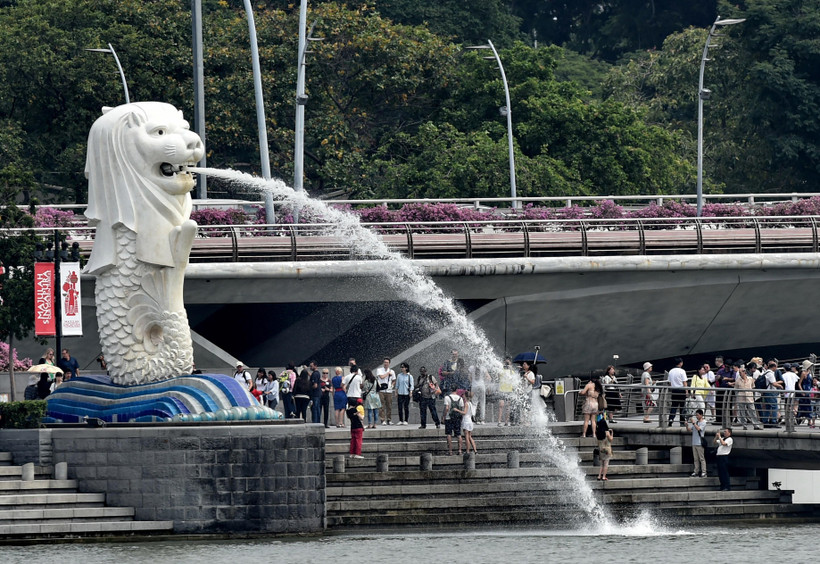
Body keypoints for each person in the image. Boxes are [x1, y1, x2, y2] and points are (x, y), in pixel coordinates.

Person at [735, 362, 762, 430]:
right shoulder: (737, 380)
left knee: (752, 411)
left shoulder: (750, 379)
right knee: (742, 412)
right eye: (740, 372)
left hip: (749, 397)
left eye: (742, 372)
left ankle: (756, 425)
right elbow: (736, 389)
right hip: (741, 398)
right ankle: (744, 425)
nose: (741, 373)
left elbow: (753, 387)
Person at [686, 409, 708, 478]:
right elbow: (690, 430)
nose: (696, 416)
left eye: (698, 415)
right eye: (696, 415)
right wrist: (686, 425)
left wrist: (693, 423)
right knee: (695, 458)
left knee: (701, 458)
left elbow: (699, 429)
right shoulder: (696, 422)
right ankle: (696, 471)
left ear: (701, 415)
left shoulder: (703, 422)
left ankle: (704, 471)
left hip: (699, 443)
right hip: (694, 442)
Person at [375, 357, 396, 425]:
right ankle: (382, 419)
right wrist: (387, 373)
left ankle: (389, 419)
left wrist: (392, 386)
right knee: (381, 406)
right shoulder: (379, 370)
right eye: (384, 362)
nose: (385, 364)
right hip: (381, 390)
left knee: (389, 405)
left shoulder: (392, 371)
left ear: (389, 363)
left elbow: (394, 380)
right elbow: (381, 377)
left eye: (387, 362)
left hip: (389, 390)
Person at [497, 357, 517, 426]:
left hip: (509, 390)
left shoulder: (512, 372)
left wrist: (511, 368)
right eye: (506, 363)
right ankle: (499, 421)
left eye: (508, 363)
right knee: (501, 405)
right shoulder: (501, 370)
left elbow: (514, 379)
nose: (507, 364)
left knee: (508, 407)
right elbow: (498, 376)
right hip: (502, 390)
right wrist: (502, 366)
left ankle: (506, 421)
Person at [443, 389, 465, 456]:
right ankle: (460, 450)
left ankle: (450, 451)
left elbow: (446, 408)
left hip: (448, 418)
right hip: (457, 418)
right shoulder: (460, 398)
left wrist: (444, 416)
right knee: (458, 434)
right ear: (456, 390)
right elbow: (462, 408)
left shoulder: (447, 397)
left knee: (449, 434)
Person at [668, 358, 688, 427]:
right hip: (681, 390)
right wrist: (687, 391)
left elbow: (669, 382)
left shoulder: (671, 371)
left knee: (674, 406)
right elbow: (684, 382)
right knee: (682, 407)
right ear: (680, 363)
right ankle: (682, 422)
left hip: (674, 390)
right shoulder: (682, 371)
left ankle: (670, 419)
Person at [460, 390, 477, 454]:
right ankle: (475, 450)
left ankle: (467, 450)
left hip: (466, 421)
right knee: (470, 437)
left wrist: (458, 411)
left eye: (463, 395)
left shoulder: (466, 404)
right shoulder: (470, 403)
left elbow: (464, 412)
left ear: (465, 396)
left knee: (466, 437)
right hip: (470, 421)